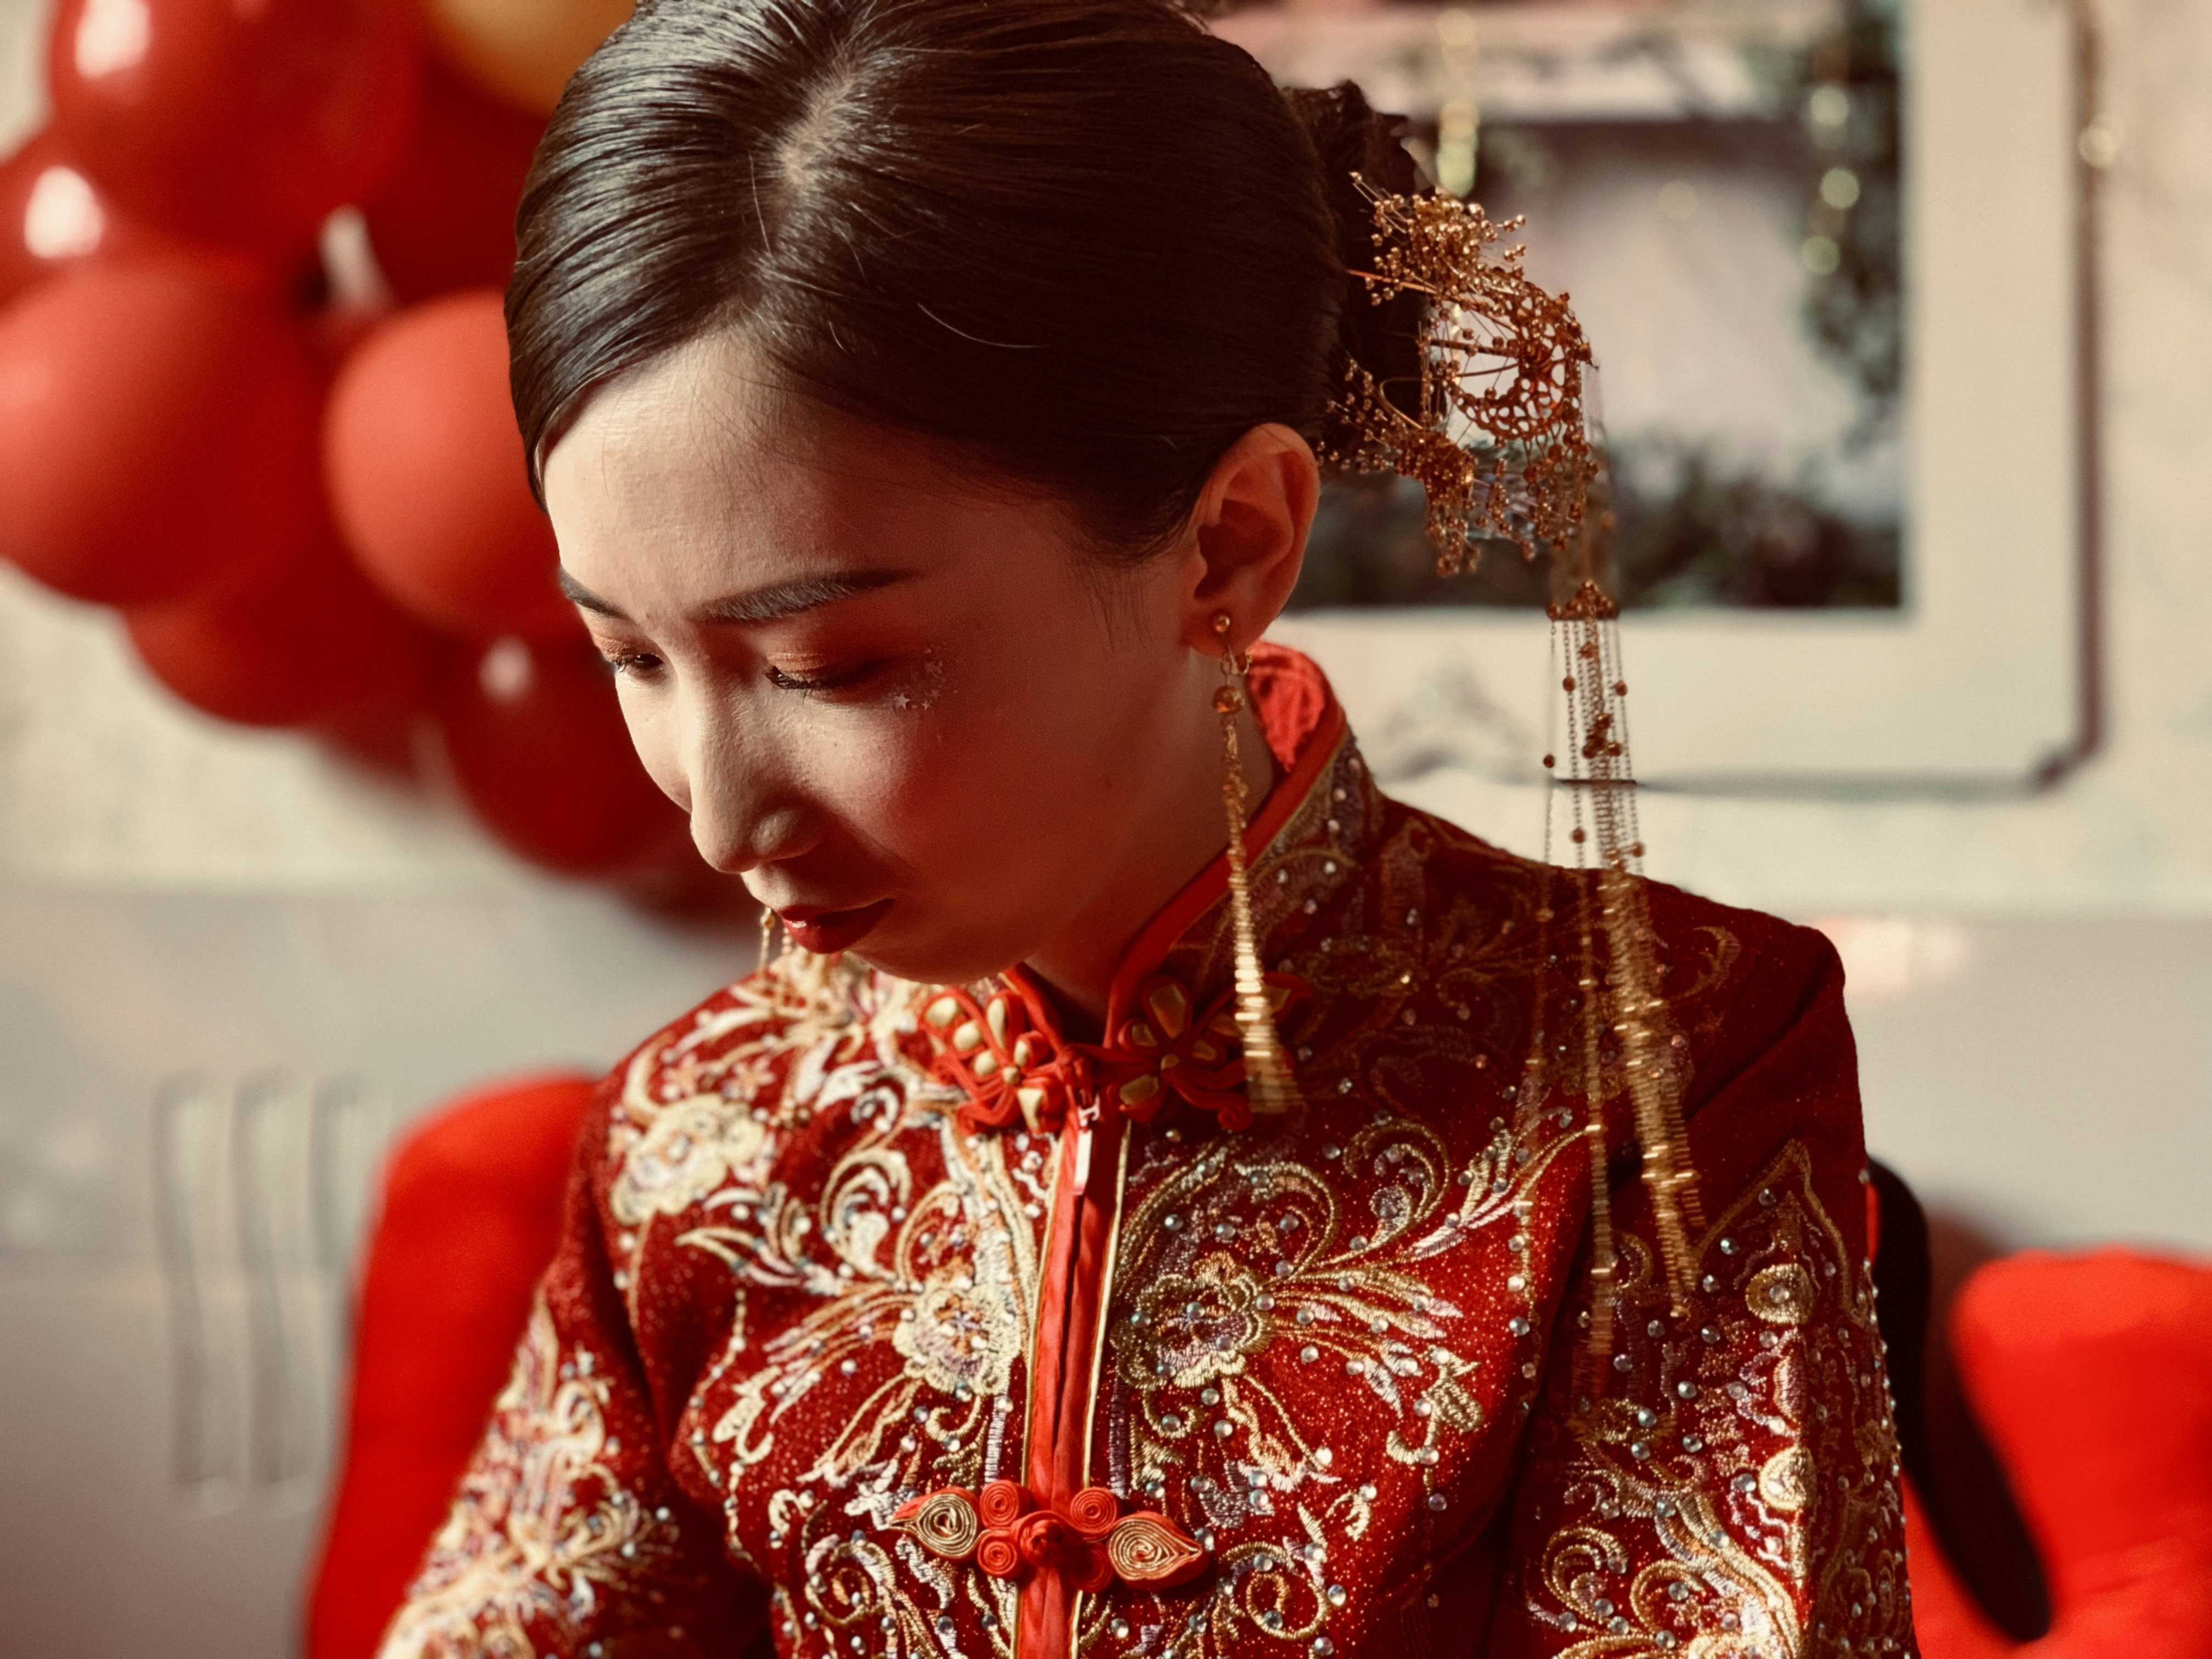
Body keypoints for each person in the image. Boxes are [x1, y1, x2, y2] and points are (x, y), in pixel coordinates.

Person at [377, 0, 1916, 1654]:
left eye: (832, 666)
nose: (721, 816)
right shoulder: (701, 1140)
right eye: (628, 655)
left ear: (1228, 548)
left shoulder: (1655, 1066)